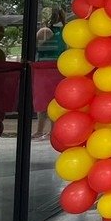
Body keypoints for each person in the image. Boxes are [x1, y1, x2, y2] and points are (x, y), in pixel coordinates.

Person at [33, 7, 67, 139]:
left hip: (45, 68)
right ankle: (49, 130)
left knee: (43, 100)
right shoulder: (64, 31)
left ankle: (43, 130)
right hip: (57, 68)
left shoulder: (45, 31)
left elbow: (38, 47)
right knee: (53, 99)